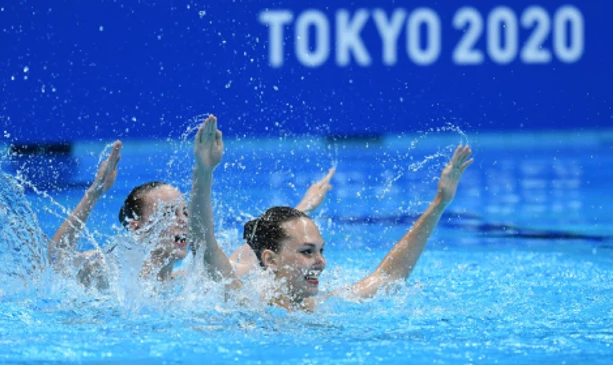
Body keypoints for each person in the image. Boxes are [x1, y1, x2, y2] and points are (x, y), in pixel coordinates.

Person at [189, 114, 474, 311]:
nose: (321, 262)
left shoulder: (322, 304)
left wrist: (439, 204)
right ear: (270, 260)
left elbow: (388, 277)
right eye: (307, 252)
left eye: (320, 251)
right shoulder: (247, 303)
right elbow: (205, 243)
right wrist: (204, 171)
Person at [49, 135, 335, 289]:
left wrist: (302, 209)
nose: (183, 223)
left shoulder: (187, 283)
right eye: (170, 214)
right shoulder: (110, 271)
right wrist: (95, 192)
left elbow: (251, 255)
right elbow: (58, 257)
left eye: (185, 214)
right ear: (136, 226)